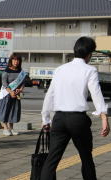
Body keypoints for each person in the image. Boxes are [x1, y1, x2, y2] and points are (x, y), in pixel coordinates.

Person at [40, 37, 110, 180]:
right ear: (89, 54)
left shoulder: (60, 69)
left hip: (59, 119)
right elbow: (96, 94)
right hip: (78, 119)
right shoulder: (90, 70)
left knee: (52, 160)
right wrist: (104, 118)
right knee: (86, 158)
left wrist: (45, 119)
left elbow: (50, 95)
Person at [0, 53, 26, 136]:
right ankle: (5, 128)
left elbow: (23, 83)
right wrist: (10, 91)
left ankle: (11, 128)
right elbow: (4, 83)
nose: (16, 62)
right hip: (6, 94)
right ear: (11, 60)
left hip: (16, 95)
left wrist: (20, 89)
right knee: (5, 110)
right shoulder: (6, 71)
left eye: (17, 60)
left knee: (13, 111)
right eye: (14, 60)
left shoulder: (21, 72)